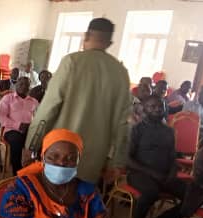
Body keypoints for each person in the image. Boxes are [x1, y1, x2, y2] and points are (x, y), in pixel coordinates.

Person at [26, 18, 131, 184]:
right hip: (94, 160)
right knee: (82, 198)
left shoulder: (71, 62)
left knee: (52, 196)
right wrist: (116, 163)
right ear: (109, 43)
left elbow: (48, 108)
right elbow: (123, 124)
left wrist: (31, 145)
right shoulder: (121, 72)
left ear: (86, 35)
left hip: (59, 155)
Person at [124, 95, 186, 218]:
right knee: (151, 192)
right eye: (153, 107)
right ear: (144, 109)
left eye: (160, 107)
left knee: (193, 195)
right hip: (139, 174)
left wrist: (173, 172)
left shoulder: (169, 131)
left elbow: (172, 157)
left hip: (164, 175)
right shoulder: (136, 129)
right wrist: (152, 173)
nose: (158, 109)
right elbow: (127, 159)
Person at [0, 76, 39, 174]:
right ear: (16, 85)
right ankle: (17, 172)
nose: (23, 87)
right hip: (11, 130)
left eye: (26, 85)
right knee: (16, 140)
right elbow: (1, 117)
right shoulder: (8, 98)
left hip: (29, 130)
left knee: (42, 140)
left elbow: (39, 117)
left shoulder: (34, 102)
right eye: (21, 84)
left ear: (29, 87)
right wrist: (18, 125)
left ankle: (35, 170)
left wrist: (32, 126)